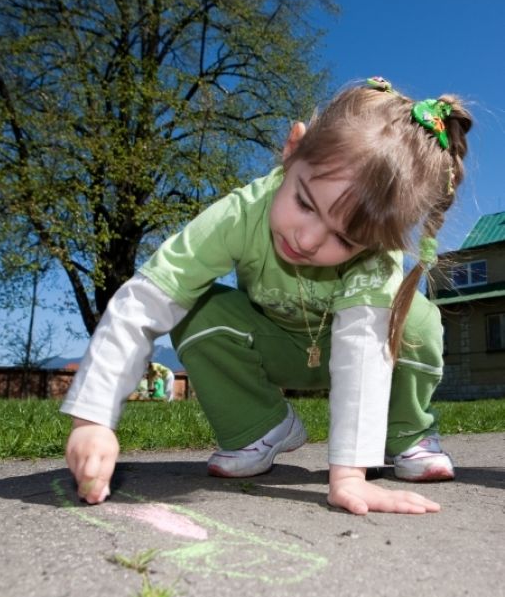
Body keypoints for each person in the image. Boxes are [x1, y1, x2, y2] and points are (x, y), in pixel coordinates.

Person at [61, 77, 472, 516]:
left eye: (343, 237)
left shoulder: (376, 251)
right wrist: (93, 419)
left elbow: (364, 352)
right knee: (196, 308)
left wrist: (349, 476)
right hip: (276, 347)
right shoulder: (240, 213)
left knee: (416, 319)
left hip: (358, 353)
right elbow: (148, 297)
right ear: (292, 149)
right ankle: (258, 425)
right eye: (305, 203)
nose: (309, 239)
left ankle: (404, 433)